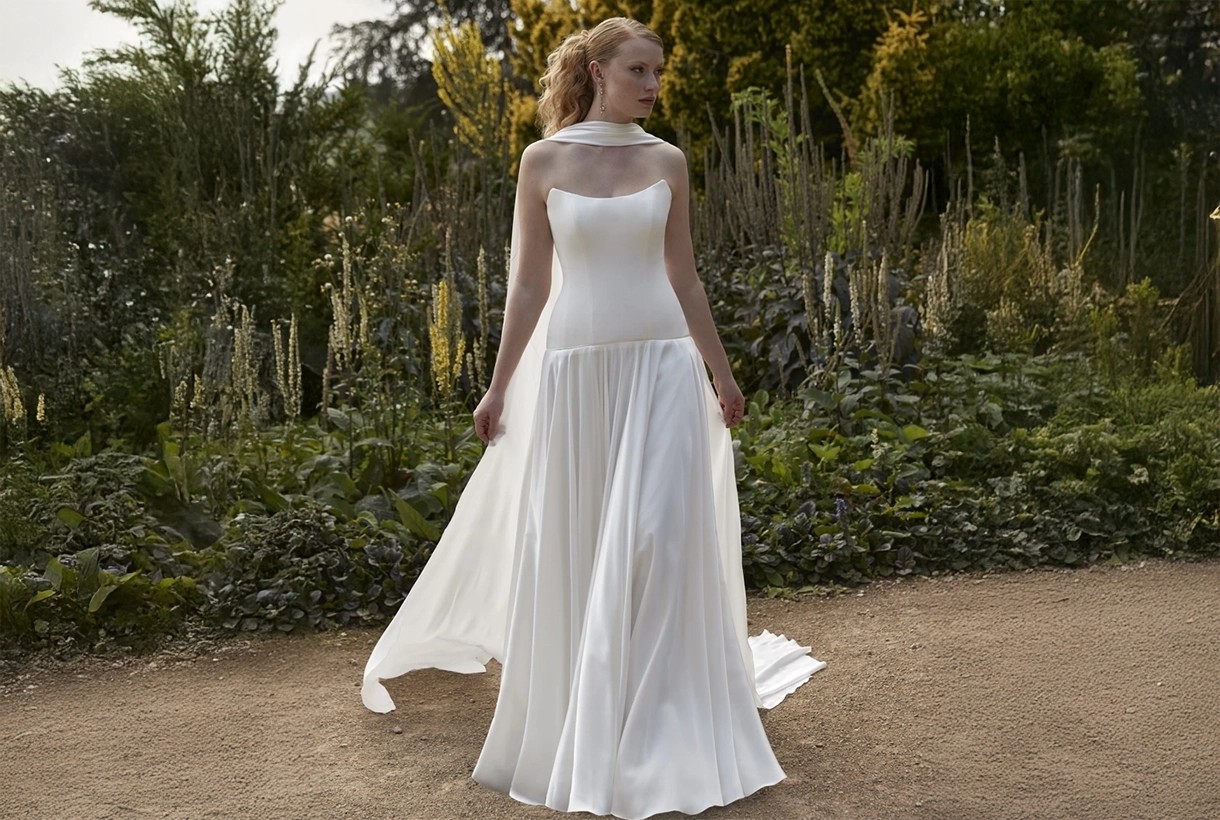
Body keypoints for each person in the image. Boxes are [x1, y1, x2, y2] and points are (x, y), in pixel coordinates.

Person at [362, 17, 824, 820]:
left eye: (658, 72)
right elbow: (530, 286)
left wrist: (722, 372)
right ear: (598, 69)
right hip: (577, 372)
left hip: (661, 366)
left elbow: (685, 278)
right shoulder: (542, 161)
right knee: (583, 539)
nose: (652, 85)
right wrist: (498, 386)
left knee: (659, 535)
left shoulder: (668, 161)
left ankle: (664, 714)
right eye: (639, 69)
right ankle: (594, 700)